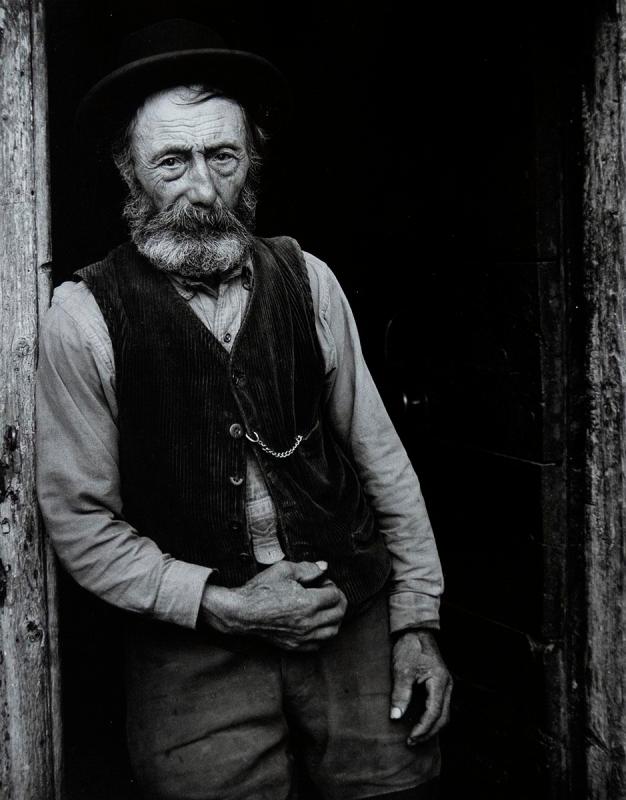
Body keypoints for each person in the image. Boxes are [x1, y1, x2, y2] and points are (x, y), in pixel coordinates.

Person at [36, 18, 452, 800]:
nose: (200, 189)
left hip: (348, 615)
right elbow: (83, 525)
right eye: (171, 161)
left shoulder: (309, 280)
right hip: (193, 645)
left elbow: (381, 460)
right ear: (129, 170)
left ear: (250, 162)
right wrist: (223, 606)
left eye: (221, 156)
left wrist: (416, 619)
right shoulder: (83, 319)